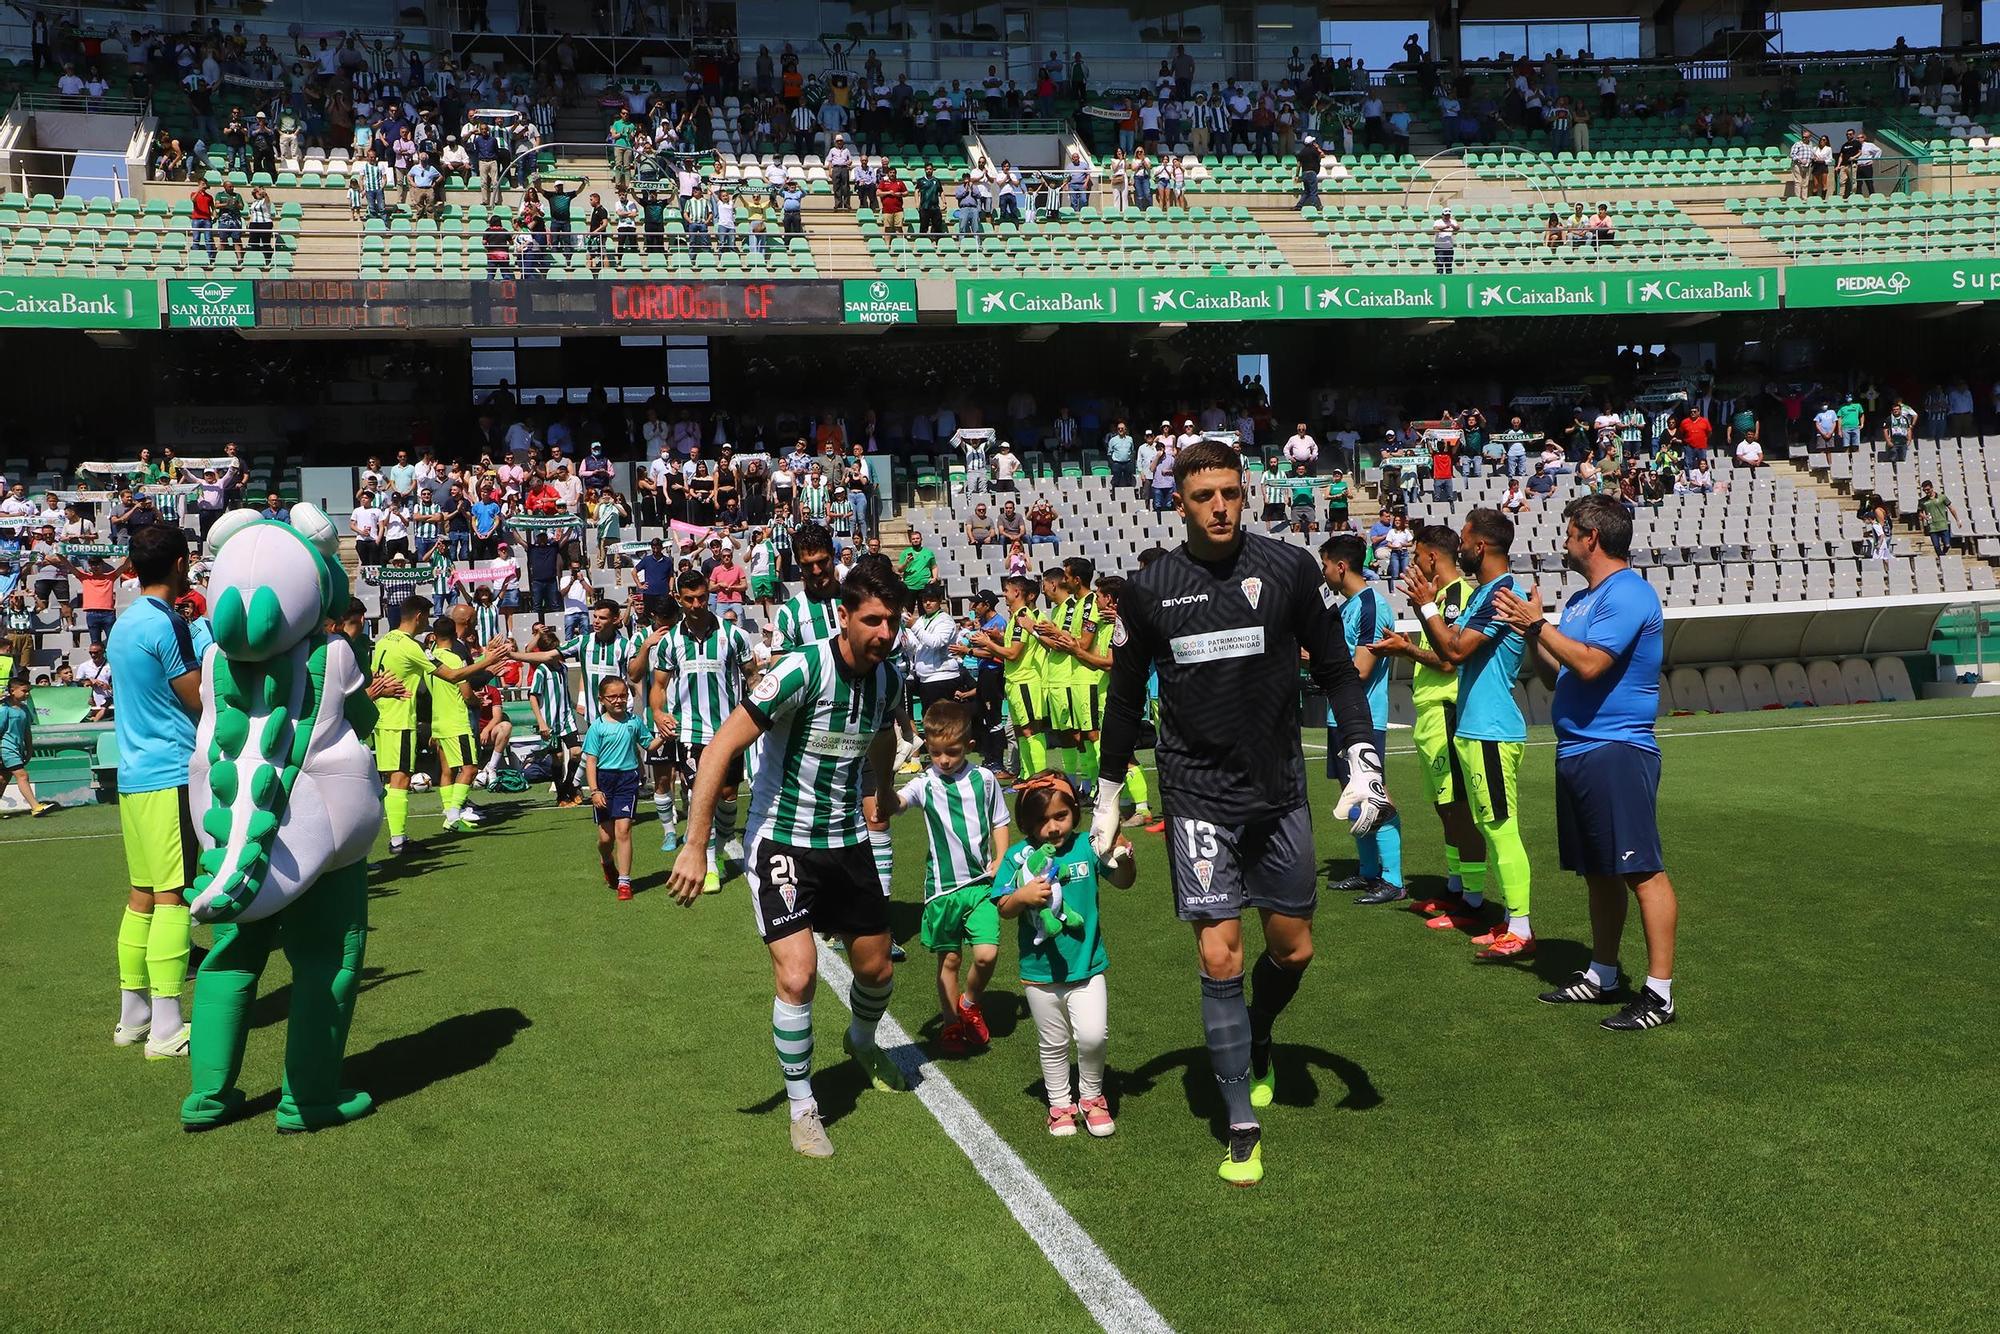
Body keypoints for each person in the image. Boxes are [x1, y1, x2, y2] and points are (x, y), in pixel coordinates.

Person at [1089, 440, 1391, 1187]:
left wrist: (1362, 752)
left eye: (1229, 492)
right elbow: (1125, 700)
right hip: (1195, 795)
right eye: (1203, 496)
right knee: (1218, 953)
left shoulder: (1288, 569)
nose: (1219, 506)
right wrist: (1107, 794)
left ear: (1245, 493)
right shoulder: (1150, 588)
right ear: (1178, 502)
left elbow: (1334, 669)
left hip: (1279, 792)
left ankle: (1258, 1031)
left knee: (1294, 951)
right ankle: (1240, 1123)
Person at [666, 562, 911, 1159]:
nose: (883, 633)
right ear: (845, 617)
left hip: (849, 839)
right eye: (872, 620)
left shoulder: (889, 681)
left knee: (878, 971)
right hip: (782, 841)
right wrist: (696, 844)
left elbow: (880, 735)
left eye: (893, 621)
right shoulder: (801, 670)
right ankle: (803, 1106)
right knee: (798, 973)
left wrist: (880, 790)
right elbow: (722, 745)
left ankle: (860, 1038)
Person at [1494, 495, 1680, 1030]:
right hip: (1578, 749)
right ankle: (1603, 973)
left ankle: (1660, 992)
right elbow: (1558, 674)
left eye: (1569, 531)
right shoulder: (1580, 601)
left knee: (1641, 869)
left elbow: (1593, 665)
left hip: (1617, 749)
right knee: (1599, 871)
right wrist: (1528, 630)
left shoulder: (1628, 593)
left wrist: (1539, 624)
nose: (1565, 540)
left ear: (1590, 537)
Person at [1395, 509, 1534, 962]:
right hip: (1476, 727)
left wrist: (1425, 605)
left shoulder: (1502, 593)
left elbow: (1453, 650)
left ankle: (1520, 926)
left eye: (1467, 539)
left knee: (1499, 827)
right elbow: (1447, 641)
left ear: (1480, 546)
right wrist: (1429, 611)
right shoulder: (1488, 594)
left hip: (1492, 728)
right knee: (1489, 827)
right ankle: (1508, 920)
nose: (1462, 546)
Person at [101, 525, 209, 1059]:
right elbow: (194, 698)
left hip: (133, 775)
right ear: (181, 564)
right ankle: (166, 1028)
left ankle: (133, 1016)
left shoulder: (123, 623)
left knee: (142, 893)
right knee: (172, 896)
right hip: (170, 771)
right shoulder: (168, 623)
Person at [993, 770, 1134, 1138]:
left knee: (1092, 1036)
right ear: (1026, 824)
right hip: (1039, 971)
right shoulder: (1016, 856)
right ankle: (1060, 1105)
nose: (1053, 827)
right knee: (1053, 1043)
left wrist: (1124, 856)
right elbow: (1004, 906)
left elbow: (1123, 880)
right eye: (1042, 820)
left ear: (1075, 812)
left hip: (1087, 965)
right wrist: (1022, 897)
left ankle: (1091, 1098)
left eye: (1061, 816)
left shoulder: (1088, 845)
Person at [1363, 525, 1488, 922]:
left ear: (1432, 557)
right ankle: (1455, 887)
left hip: (1448, 711)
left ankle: (1473, 899)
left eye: (1417, 556)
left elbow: (1451, 660)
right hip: (1432, 714)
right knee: (1444, 807)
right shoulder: (1437, 601)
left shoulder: (1456, 599)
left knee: (1458, 808)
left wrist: (1406, 648)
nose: (1414, 564)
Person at [879, 700, 1011, 1056]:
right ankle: (951, 1024)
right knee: (949, 961)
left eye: (951, 752)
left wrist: (1001, 858)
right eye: (935, 753)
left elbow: (1000, 821)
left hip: (981, 886)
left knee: (986, 954)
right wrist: (882, 786)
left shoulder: (984, 779)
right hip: (942, 891)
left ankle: (968, 1003)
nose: (943, 760)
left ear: (968, 747)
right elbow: (898, 804)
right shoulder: (925, 784)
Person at [637, 570, 755, 888]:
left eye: (702, 597)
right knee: (700, 794)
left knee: (729, 795)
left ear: (708, 594)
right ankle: (712, 864)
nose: (696, 604)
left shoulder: (734, 636)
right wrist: (658, 712)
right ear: (679, 599)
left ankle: (726, 835)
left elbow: (752, 676)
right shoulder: (670, 641)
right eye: (689, 599)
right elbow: (658, 687)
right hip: (689, 733)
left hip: (730, 731)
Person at [370, 596, 507, 854]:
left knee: (394, 778)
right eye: (427, 617)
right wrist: (487, 661)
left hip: (383, 716)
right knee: (400, 778)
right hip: (400, 719)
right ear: (420, 616)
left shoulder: (384, 640)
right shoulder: (413, 647)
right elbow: (452, 676)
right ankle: (399, 841)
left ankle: (400, 837)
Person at [1319, 536, 1404, 903]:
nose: (1323, 573)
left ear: (1341, 566)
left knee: (1374, 795)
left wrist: (1317, 667)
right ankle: (1369, 872)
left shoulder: (1370, 605)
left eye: (1324, 565)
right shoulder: (1347, 606)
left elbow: (1362, 670)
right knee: (1353, 797)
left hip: (1364, 719)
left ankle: (1394, 880)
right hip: (1342, 717)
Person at [583, 676, 661, 901]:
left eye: (623, 696)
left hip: (627, 780)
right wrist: (595, 790)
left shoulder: (634, 722)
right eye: (613, 697)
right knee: (606, 839)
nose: (618, 701)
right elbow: (591, 761)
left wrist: (664, 736)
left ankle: (625, 882)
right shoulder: (597, 727)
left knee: (623, 831)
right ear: (602, 699)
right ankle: (607, 862)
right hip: (604, 782)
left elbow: (649, 745)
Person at [526, 628, 584, 807]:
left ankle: (569, 785)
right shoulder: (541, 670)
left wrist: (575, 705)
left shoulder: (563, 668)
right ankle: (561, 796)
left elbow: (563, 691)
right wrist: (541, 722)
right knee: (558, 756)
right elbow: (533, 696)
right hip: (550, 721)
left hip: (566, 718)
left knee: (576, 753)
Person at [1, 675, 55, 816]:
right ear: (13, 691)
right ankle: (35, 806)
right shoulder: (4, 710)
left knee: (2, 779)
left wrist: (29, 749)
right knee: (22, 775)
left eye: (28, 691)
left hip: (16, 748)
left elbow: (27, 732)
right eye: (24, 691)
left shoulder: (24, 709)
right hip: (6, 749)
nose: (27, 694)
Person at [1918, 481, 1959, 556]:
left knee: (1947, 545)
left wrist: (1957, 520)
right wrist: (1924, 516)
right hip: (1932, 526)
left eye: (1928, 489)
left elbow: (1951, 508)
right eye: (1924, 490)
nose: (1926, 492)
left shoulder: (1942, 497)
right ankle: (1942, 558)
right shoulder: (1922, 501)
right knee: (1936, 547)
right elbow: (1919, 512)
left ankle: (1942, 556)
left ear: (1932, 488)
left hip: (1942, 524)